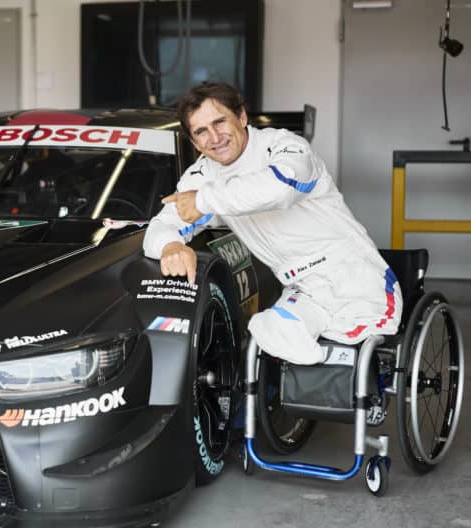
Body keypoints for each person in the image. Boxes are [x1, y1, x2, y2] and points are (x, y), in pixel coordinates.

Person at [143, 81, 402, 365]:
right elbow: (163, 223)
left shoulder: (285, 146)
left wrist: (204, 200)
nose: (214, 137)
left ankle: (332, 371)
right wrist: (170, 246)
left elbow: (279, 188)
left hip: (354, 280)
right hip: (303, 292)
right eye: (201, 131)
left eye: (220, 122)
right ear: (194, 143)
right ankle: (322, 373)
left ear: (242, 117)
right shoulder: (202, 176)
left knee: (350, 359)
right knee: (264, 328)